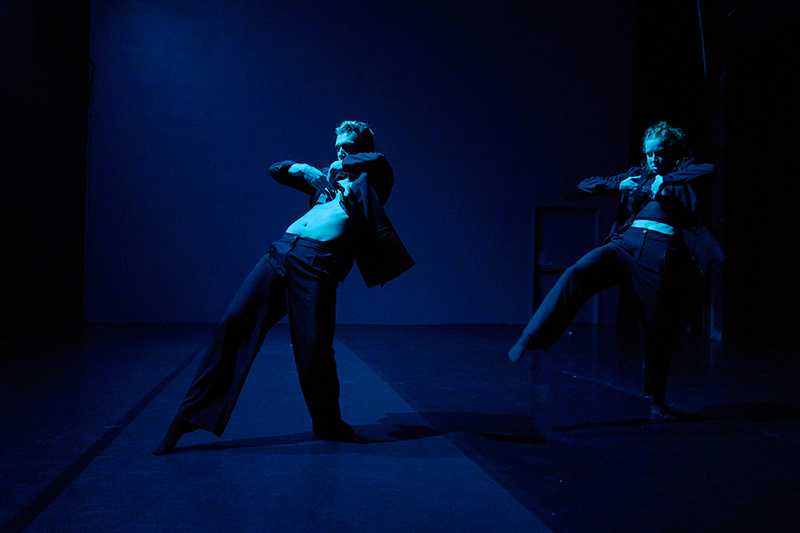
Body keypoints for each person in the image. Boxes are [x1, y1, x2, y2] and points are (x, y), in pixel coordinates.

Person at [153, 121, 414, 454]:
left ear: (361, 148)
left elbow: (381, 162)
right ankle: (187, 419)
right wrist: (305, 169)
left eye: (347, 146)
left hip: (316, 264)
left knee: (313, 347)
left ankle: (328, 423)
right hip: (281, 253)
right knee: (234, 324)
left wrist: (343, 164)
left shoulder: (372, 183)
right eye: (336, 145)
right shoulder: (324, 181)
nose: (338, 151)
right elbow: (276, 169)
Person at [508, 121, 723, 418]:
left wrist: (669, 180)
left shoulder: (684, 177)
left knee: (655, 327)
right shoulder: (637, 176)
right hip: (623, 245)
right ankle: (531, 336)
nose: (653, 160)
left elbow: (710, 169)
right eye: (649, 154)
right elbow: (577, 187)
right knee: (577, 272)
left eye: (659, 154)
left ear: (673, 153)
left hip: (658, 254)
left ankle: (658, 401)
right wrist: (617, 185)